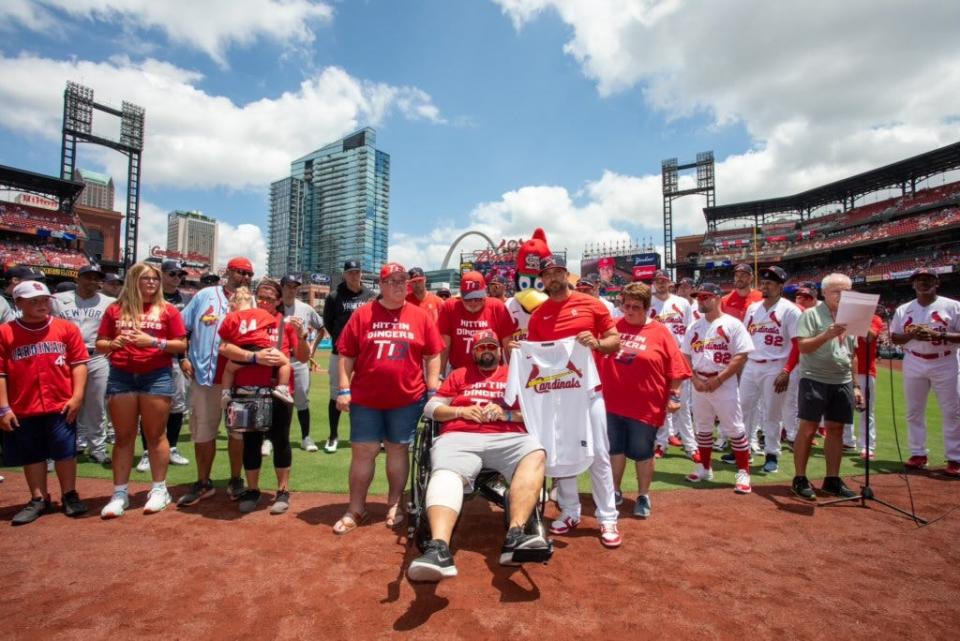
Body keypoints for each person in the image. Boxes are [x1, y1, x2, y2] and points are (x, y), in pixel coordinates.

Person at [408, 330, 549, 581]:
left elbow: (539, 412)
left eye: (492, 346)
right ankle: (439, 548)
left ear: (499, 350)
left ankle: (515, 535)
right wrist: (461, 411)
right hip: (460, 437)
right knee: (446, 473)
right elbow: (431, 408)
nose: (487, 350)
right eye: (482, 347)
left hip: (507, 437)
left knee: (536, 452)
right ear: (474, 352)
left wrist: (506, 414)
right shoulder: (459, 374)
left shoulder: (515, 374)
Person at [334, 262, 443, 534]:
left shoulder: (420, 316)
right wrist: (344, 389)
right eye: (391, 280)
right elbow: (346, 353)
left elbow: (433, 354)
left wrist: (432, 388)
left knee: (397, 450)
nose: (398, 285)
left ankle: (394, 503)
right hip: (366, 399)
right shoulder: (362, 314)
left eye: (402, 280)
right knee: (363, 451)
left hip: (407, 399)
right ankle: (355, 508)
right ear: (381, 285)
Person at [524, 254, 622, 548]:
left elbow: (614, 340)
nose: (553, 278)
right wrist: (521, 351)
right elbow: (534, 357)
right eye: (547, 274)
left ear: (567, 274)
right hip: (557, 394)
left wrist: (597, 344)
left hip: (588, 390)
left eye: (557, 272)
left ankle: (607, 517)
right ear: (541, 280)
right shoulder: (539, 314)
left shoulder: (592, 304)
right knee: (561, 451)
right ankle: (570, 511)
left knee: (600, 452)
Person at [96, 262, 187, 518]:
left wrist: (154, 342)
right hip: (122, 374)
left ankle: (159, 489)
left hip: (155, 375)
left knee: (156, 434)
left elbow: (180, 345)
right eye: (146, 279)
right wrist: (114, 343)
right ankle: (120, 493)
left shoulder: (167, 310)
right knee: (124, 437)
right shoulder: (115, 309)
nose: (151, 283)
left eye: (155, 279)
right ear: (133, 280)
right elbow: (100, 344)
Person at [218, 279, 311, 514]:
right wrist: (253, 358)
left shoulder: (285, 324)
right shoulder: (243, 320)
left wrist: (301, 336)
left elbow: (302, 357)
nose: (264, 302)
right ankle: (252, 489)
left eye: (269, 298)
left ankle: (282, 490)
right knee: (251, 441)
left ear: (279, 301)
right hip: (247, 388)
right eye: (260, 297)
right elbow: (225, 348)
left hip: (276, 390)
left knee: (280, 441)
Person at [0, 281, 89, 525]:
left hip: (60, 402)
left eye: (44, 300)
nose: (41, 305)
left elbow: (79, 363)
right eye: (33, 301)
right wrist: (4, 408)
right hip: (23, 405)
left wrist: (77, 396)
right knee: (32, 454)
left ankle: (69, 494)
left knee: (65, 452)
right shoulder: (6, 332)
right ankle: (38, 498)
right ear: (18, 303)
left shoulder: (65, 328)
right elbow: (1, 374)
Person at [600, 282, 690, 518]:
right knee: (615, 449)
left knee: (642, 452)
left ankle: (642, 495)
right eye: (625, 305)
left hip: (644, 406)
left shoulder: (660, 332)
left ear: (648, 309)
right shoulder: (613, 328)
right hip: (612, 403)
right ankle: (615, 491)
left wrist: (673, 395)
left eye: (635, 307)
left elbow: (677, 368)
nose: (629, 311)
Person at [175, 256, 252, 508]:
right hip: (205, 377)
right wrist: (182, 356)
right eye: (241, 272)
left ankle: (235, 479)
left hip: (239, 380)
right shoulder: (206, 296)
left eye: (250, 274)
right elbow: (180, 326)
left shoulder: (251, 303)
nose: (246, 278)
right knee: (203, 432)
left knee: (237, 434)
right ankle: (203, 481)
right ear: (228, 272)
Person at [790, 273, 864, 500]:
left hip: (841, 380)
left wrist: (856, 386)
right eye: (836, 292)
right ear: (824, 293)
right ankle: (800, 477)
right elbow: (803, 347)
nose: (842, 296)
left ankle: (832, 479)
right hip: (814, 377)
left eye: (846, 291)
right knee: (809, 428)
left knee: (836, 430)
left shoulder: (853, 316)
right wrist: (826, 335)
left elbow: (852, 354)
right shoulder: (811, 315)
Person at [681, 282, 754, 494]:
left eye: (705, 296)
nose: (700, 300)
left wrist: (720, 379)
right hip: (699, 381)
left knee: (734, 428)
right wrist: (693, 378)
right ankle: (704, 468)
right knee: (702, 427)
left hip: (723, 382)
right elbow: (685, 355)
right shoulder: (693, 326)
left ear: (717, 297)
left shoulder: (732, 324)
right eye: (698, 297)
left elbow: (741, 355)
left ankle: (743, 473)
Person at [889, 268, 960, 475]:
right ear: (913, 284)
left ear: (936, 283)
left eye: (928, 279)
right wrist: (913, 336)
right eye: (919, 280)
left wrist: (941, 335)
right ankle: (918, 453)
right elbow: (895, 337)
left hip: (945, 360)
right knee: (914, 411)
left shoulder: (953, 306)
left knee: (952, 411)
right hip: (914, 360)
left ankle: (955, 457)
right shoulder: (904, 309)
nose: (923, 283)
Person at [735, 266, 801, 474]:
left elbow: (798, 344)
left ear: (780, 287)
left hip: (776, 366)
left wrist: (787, 371)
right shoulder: (753, 308)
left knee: (772, 414)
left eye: (770, 283)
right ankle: (742, 450)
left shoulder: (790, 310)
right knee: (743, 408)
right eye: (763, 282)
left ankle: (772, 453)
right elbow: (745, 338)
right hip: (752, 364)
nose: (765, 286)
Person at [51, 264, 114, 465]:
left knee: (96, 404)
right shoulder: (59, 300)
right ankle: (72, 444)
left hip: (96, 355)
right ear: (78, 278)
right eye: (88, 277)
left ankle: (98, 448)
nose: (93, 281)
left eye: (97, 278)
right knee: (66, 402)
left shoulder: (109, 302)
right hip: (66, 356)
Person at [321, 260, 376, 454]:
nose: (354, 275)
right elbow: (328, 322)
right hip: (341, 352)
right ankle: (333, 435)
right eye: (350, 272)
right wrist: (340, 339)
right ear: (344, 275)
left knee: (366, 395)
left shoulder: (370, 295)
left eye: (357, 272)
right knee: (337, 394)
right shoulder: (335, 296)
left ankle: (366, 435)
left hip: (365, 354)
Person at [647, 269, 698, 461]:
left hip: (678, 354)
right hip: (657, 356)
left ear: (670, 282)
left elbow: (691, 330)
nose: (661, 283)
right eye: (657, 280)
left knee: (682, 405)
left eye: (664, 280)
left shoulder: (682, 303)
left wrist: (687, 356)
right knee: (660, 404)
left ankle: (691, 446)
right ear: (653, 283)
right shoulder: (649, 303)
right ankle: (661, 443)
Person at [218, 286, 294, 408]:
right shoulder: (262, 313)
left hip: (242, 350)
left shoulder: (231, 317)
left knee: (229, 369)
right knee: (285, 362)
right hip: (261, 349)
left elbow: (222, 335)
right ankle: (282, 388)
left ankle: (225, 392)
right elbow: (273, 322)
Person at [152, 259, 193, 469]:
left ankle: (173, 448)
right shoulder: (149, 296)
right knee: (152, 407)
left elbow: (188, 332)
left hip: (176, 356)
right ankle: (149, 452)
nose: (177, 278)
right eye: (172, 274)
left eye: (180, 275)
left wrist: (184, 357)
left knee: (177, 406)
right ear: (161, 274)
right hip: (151, 355)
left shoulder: (185, 299)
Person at [279, 274, 325, 453]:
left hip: (298, 359)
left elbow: (321, 328)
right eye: (288, 286)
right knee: (276, 400)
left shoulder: (305, 308)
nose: (292, 290)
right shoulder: (274, 306)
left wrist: (312, 348)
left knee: (302, 399)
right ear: (282, 287)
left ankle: (306, 437)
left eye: (295, 287)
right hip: (277, 358)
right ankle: (269, 439)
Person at [438, 270, 514, 372]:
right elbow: (444, 347)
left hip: (492, 373)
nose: (473, 302)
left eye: (478, 298)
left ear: (485, 293)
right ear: (461, 296)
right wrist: (440, 376)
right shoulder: (449, 307)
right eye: (468, 298)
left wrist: (511, 374)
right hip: (459, 372)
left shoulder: (497, 306)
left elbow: (507, 346)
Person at [843, 312, 884, 459]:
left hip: (865, 370)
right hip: (842, 368)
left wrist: (858, 318)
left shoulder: (874, 318)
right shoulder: (840, 316)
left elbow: (870, 337)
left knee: (865, 410)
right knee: (844, 407)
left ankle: (867, 446)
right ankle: (847, 440)